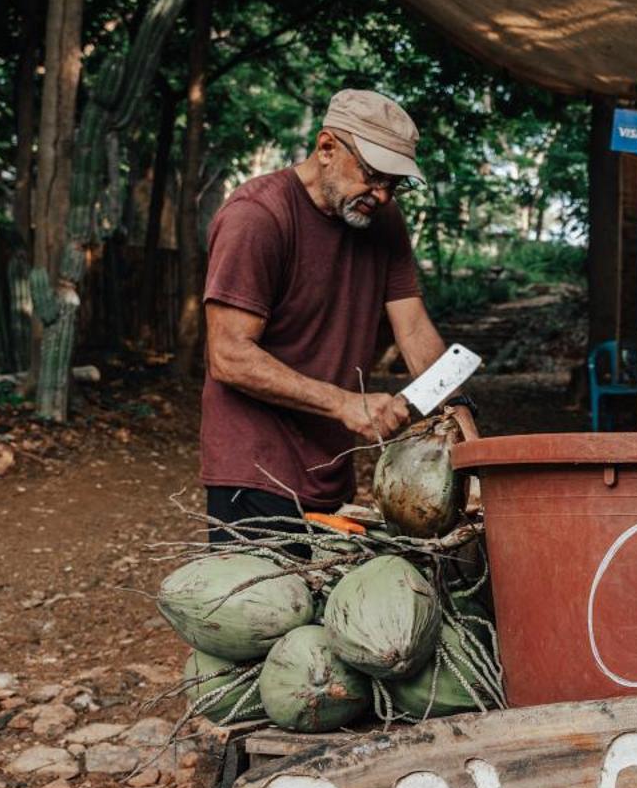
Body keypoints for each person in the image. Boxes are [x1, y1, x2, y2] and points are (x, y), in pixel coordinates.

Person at [199, 88, 469, 540]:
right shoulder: (257, 216)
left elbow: (415, 328)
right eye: (372, 175)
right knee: (264, 607)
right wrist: (343, 403)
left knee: (330, 608)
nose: (382, 195)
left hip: (331, 470)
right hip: (254, 471)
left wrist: (465, 432)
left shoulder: (383, 221)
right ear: (326, 148)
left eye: (394, 183)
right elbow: (228, 355)